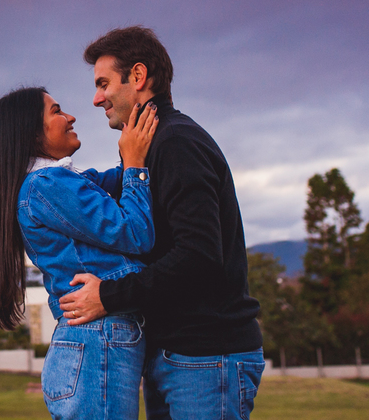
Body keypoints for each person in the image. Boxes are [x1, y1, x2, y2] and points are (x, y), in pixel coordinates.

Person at [59, 26, 264, 420]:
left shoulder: (176, 143)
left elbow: (199, 257)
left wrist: (108, 296)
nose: (96, 98)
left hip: (205, 357)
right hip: (176, 356)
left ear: (137, 77)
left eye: (104, 84)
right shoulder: (148, 148)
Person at [0, 86, 159, 420]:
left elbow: (111, 181)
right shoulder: (47, 185)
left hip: (93, 343)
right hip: (96, 341)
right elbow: (136, 234)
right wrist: (136, 163)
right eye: (56, 111)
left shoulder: (59, 182)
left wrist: (133, 148)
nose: (70, 117)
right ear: (32, 133)